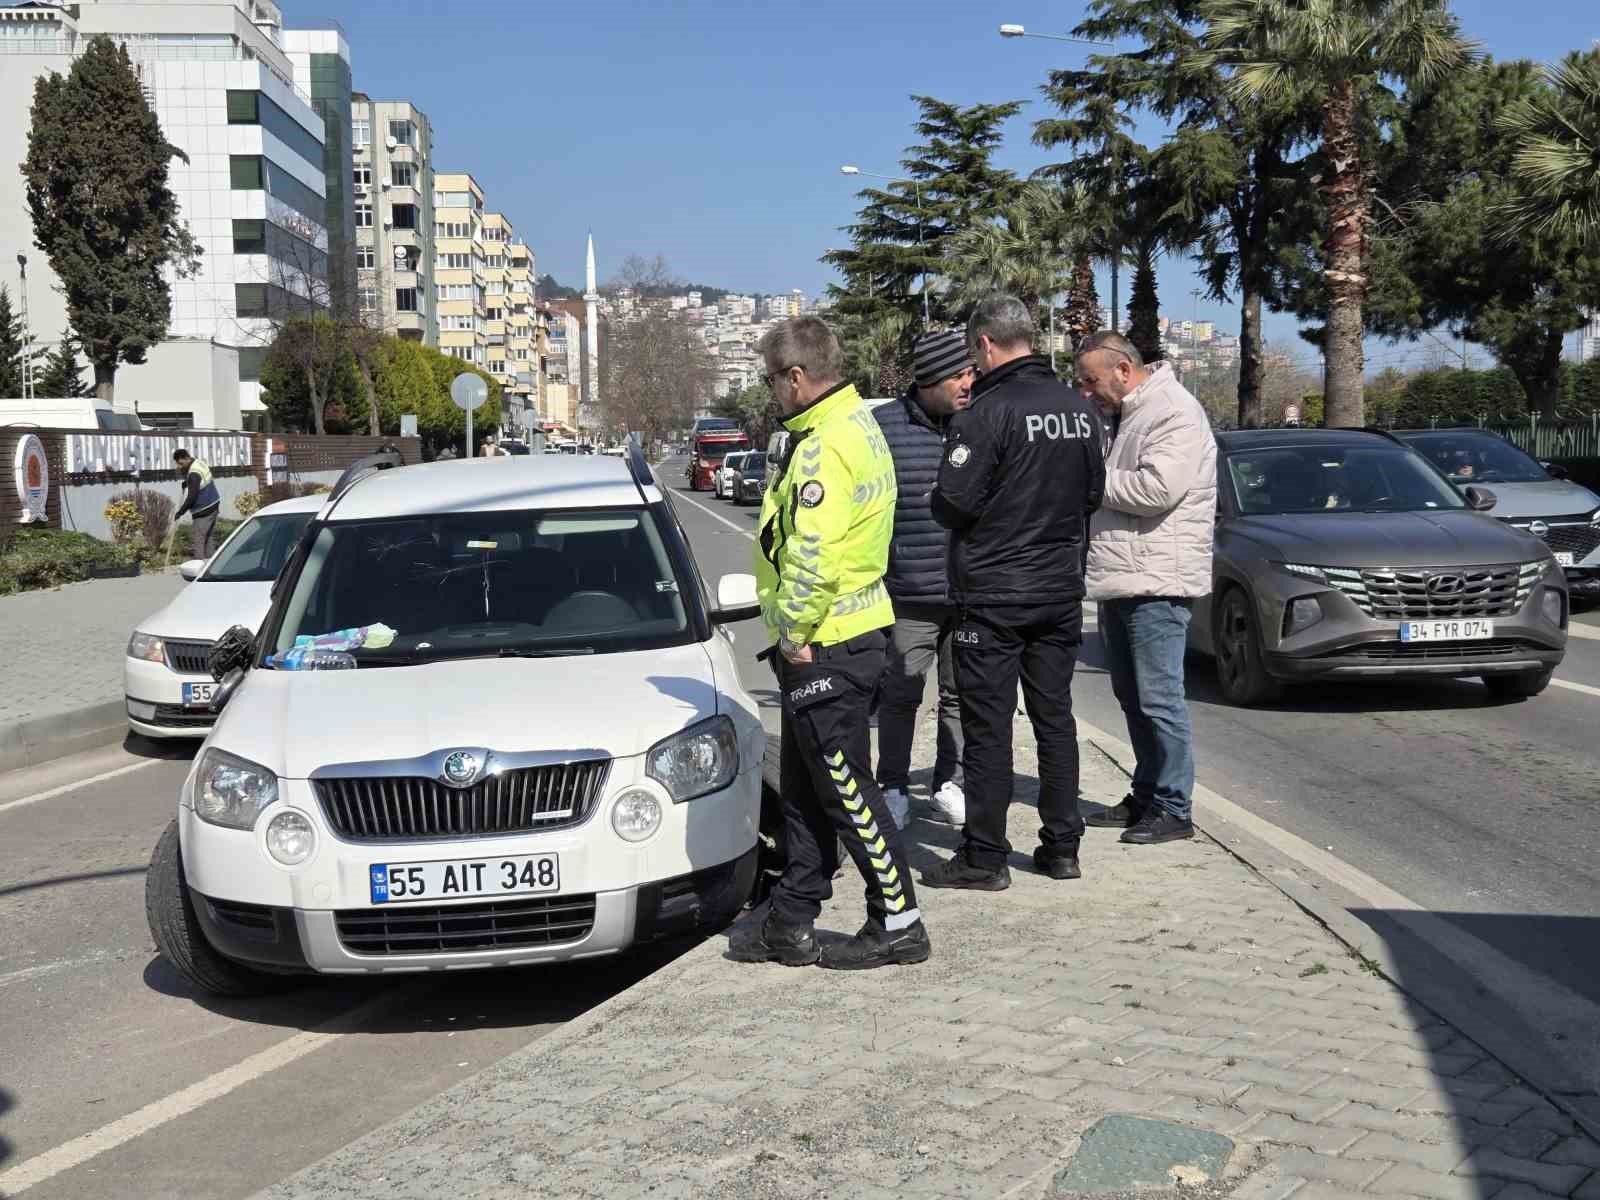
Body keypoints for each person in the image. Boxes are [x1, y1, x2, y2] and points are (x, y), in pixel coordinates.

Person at [733, 316, 930, 971]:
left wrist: (792, 635)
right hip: (857, 633)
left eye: (770, 381)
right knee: (806, 793)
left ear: (796, 377)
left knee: (847, 792)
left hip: (826, 643)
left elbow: (813, 556)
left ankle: (898, 922)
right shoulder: (859, 425)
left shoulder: (820, 446)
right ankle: (790, 918)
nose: (770, 394)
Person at [922, 294, 1105, 891]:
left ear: (984, 345)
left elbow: (953, 503)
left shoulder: (986, 412)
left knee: (987, 728)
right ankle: (1062, 848)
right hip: (1057, 590)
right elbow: (1091, 496)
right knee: (1055, 719)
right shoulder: (1078, 410)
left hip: (994, 597)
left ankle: (984, 856)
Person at [1076, 331, 1217, 846]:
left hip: (1157, 580)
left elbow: (1157, 490)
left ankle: (1173, 806)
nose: (1086, 391)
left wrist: (1090, 478)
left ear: (1123, 369)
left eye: (1091, 379)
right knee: (1132, 697)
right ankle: (1147, 793)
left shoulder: (1173, 411)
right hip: (1123, 576)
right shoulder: (1127, 414)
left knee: (1159, 700)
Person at [870, 329, 974, 831]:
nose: (967, 382)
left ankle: (949, 783)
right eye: (957, 374)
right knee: (901, 693)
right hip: (908, 593)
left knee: (960, 695)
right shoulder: (882, 428)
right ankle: (891, 785)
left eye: (971, 371)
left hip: (968, 591)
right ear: (928, 379)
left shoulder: (976, 421)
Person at [172, 448, 222, 561]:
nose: (179, 466)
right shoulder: (198, 462)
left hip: (204, 509)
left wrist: (180, 512)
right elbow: (200, 480)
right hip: (214, 503)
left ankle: (198, 567)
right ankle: (211, 564)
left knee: (198, 539)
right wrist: (187, 482)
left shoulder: (193, 474)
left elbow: (191, 498)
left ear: (186, 458)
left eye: (180, 463)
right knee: (208, 536)